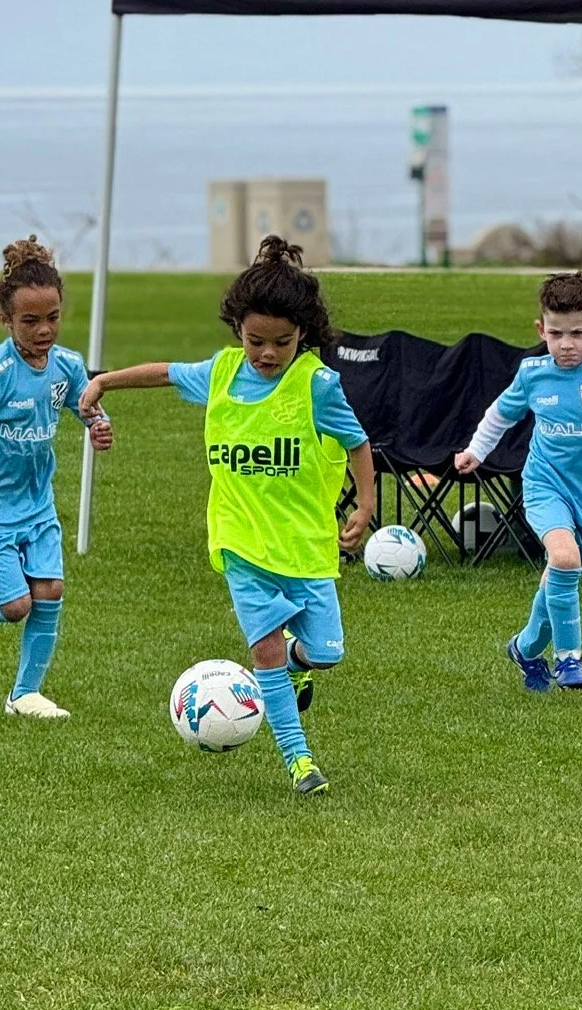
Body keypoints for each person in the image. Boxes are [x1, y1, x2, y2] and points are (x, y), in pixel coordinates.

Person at [79, 237, 374, 797]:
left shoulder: (317, 386)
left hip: (305, 546)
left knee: (326, 653)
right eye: (255, 340)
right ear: (237, 330)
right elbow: (166, 372)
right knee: (261, 646)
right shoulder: (220, 374)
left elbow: (358, 444)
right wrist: (105, 380)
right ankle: (299, 760)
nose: (266, 353)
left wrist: (364, 504)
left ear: (302, 336)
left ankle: (297, 659)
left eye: (280, 343)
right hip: (239, 542)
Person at [454, 270, 582, 692]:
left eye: (578, 333)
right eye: (556, 333)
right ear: (541, 330)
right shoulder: (533, 373)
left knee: (559, 579)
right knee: (564, 560)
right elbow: (500, 413)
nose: (567, 344)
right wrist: (476, 451)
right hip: (544, 486)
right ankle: (569, 660)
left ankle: (524, 648)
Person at [0, 238, 112, 717]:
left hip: (38, 504)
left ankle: (24, 695)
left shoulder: (67, 364)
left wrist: (97, 424)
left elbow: (83, 401)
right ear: (5, 321)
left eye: (52, 317)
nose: (44, 330)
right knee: (15, 607)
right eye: (29, 321)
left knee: (49, 591)